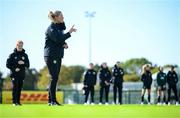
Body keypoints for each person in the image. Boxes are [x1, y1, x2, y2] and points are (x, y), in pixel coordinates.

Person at [44, 10, 76, 106]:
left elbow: (60, 37)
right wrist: (69, 32)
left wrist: (64, 43)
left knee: (55, 78)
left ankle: (51, 100)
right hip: (51, 55)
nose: (63, 17)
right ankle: (52, 100)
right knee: (54, 78)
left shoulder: (58, 27)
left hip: (57, 55)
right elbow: (58, 39)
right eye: (61, 16)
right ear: (56, 17)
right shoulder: (51, 28)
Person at [6, 40, 30, 106]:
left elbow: (28, 65)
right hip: (14, 74)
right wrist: (14, 69)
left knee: (19, 88)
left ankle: (18, 102)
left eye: (21, 45)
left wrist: (23, 63)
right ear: (16, 45)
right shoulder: (12, 55)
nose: (20, 47)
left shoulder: (25, 55)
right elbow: (7, 65)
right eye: (19, 45)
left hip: (21, 74)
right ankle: (14, 102)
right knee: (15, 87)